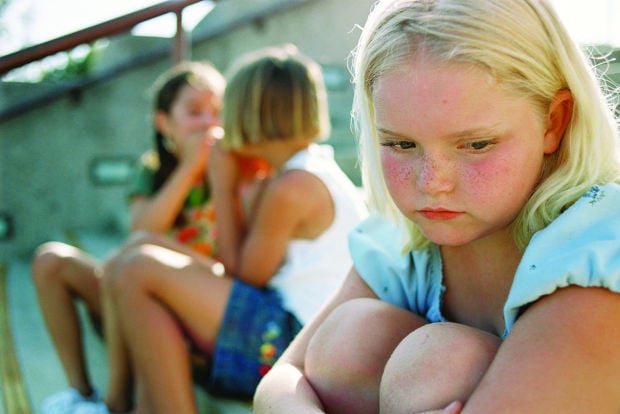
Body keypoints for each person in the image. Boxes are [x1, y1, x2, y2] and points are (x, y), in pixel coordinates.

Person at [253, 0, 620, 413]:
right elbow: (283, 378)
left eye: (476, 144)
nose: (432, 183)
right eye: (401, 144)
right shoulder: (406, 244)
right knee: (350, 339)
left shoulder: (598, 254)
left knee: (439, 364)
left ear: (554, 121)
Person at [74, 44, 368, 414]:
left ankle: (132, 405)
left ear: (252, 115)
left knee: (137, 270)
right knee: (140, 248)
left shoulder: (293, 186)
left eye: (227, 110)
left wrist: (223, 185)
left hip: (296, 340)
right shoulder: (302, 169)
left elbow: (242, 275)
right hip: (294, 326)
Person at [32, 61, 228, 414]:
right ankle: (81, 394)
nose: (208, 123)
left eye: (217, 112)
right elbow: (143, 230)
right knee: (51, 261)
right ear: (164, 123)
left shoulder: (231, 169)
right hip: (138, 285)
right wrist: (188, 169)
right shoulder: (153, 168)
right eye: (195, 112)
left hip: (188, 303)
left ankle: (116, 402)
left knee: (128, 270)